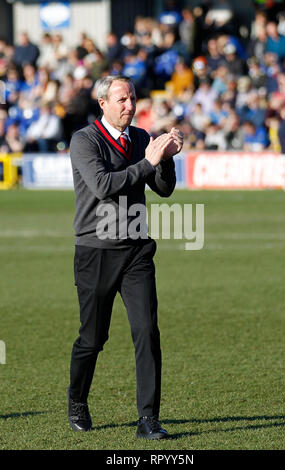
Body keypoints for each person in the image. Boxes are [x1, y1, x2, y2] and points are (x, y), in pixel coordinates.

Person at [68, 75, 183, 439]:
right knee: (92, 338)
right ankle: (77, 401)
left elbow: (163, 189)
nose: (129, 105)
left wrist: (165, 159)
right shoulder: (84, 140)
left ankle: (148, 419)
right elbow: (103, 186)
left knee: (147, 331)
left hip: (136, 250)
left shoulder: (140, 138)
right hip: (96, 251)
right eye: (121, 99)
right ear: (102, 103)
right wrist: (148, 162)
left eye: (131, 98)